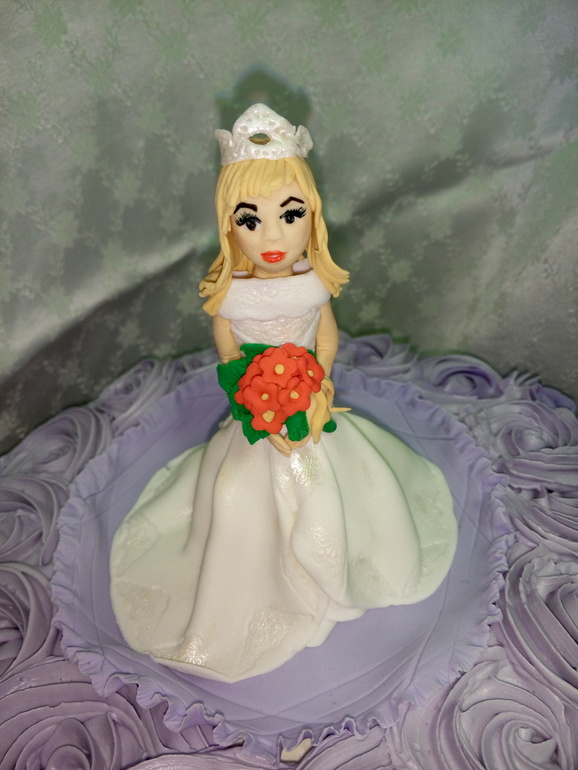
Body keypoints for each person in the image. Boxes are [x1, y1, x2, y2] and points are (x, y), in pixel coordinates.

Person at [110, 105, 457, 683]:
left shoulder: (313, 286)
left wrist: (317, 382)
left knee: (324, 488)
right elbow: (229, 357)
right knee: (232, 495)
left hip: (311, 408)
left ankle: (334, 569)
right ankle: (250, 585)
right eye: (250, 219)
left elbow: (326, 339)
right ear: (229, 225)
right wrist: (250, 398)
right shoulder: (230, 297)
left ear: (312, 214)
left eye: (289, 214)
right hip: (254, 418)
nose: (272, 236)